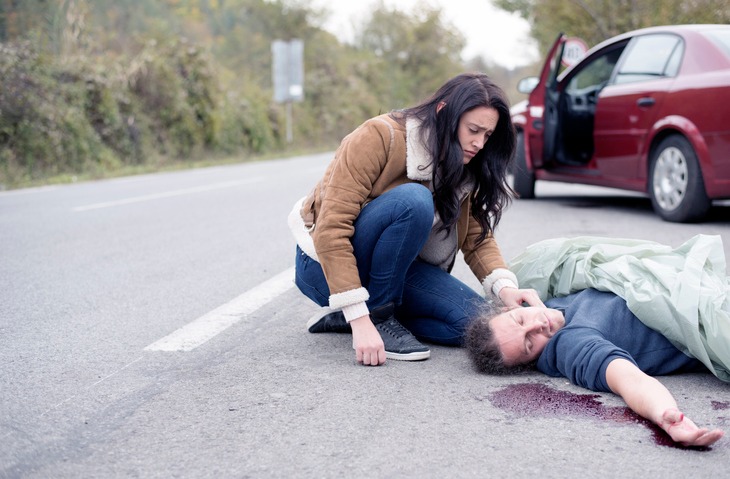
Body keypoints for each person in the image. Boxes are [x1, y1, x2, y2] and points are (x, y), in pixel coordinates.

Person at [288, 73, 543, 367]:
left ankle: (365, 313)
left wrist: (506, 289)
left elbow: (476, 236)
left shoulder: (465, 163)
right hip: (321, 266)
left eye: (487, 135)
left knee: (476, 325)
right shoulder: (380, 136)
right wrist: (362, 322)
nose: (480, 143)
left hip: (396, 266)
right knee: (413, 201)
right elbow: (331, 229)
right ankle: (377, 316)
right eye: (473, 130)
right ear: (444, 112)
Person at [465, 239, 729, 448]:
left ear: (508, 309)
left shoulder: (551, 300)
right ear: (531, 362)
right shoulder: (571, 346)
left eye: (521, 320)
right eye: (529, 344)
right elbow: (629, 379)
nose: (537, 326)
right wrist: (667, 416)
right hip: (704, 317)